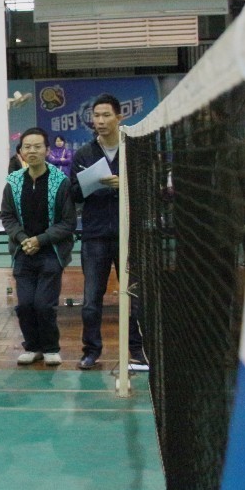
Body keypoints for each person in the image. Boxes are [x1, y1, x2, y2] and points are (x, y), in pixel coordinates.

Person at [73, 93, 147, 372]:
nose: (100, 121)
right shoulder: (84, 154)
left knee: (133, 296)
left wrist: (125, 184)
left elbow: (148, 186)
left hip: (128, 234)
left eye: (106, 115)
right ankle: (91, 351)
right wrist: (97, 185)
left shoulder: (134, 151)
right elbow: (74, 192)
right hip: (95, 236)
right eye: (96, 116)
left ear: (119, 117)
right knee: (92, 299)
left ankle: (137, 350)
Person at [0, 127, 77, 366]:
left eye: (37, 146)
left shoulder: (61, 182)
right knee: (25, 305)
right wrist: (24, 239)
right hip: (23, 253)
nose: (32, 151)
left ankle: (51, 347)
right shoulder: (12, 183)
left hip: (51, 253)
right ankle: (32, 347)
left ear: (47, 150)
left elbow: (68, 222)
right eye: (27, 147)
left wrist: (40, 240)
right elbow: (7, 217)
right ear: (21, 151)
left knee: (44, 305)